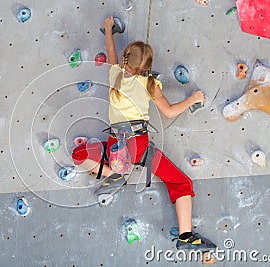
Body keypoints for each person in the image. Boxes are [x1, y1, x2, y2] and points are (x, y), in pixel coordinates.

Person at [72, 16, 216, 251]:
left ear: (124, 60)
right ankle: (186, 236)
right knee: (180, 182)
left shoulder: (114, 75)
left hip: (116, 146)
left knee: (79, 153)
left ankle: (112, 173)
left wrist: (109, 29)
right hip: (140, 147)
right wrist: (192, 99)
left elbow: (110, 50)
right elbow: (169, 112)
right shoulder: (151, 85)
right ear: (148, 68)